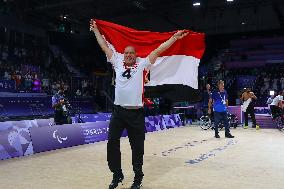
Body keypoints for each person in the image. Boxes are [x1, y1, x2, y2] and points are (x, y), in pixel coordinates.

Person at [90, 19, 188, 189]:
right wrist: (96, 30)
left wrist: (174, 38)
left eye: (131, 53)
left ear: (135, 56)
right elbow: (104, 46)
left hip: (136, 114)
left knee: (137, 148)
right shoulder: (117, 62)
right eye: (126, 53)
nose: (128, 55)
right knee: (112, 143)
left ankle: (138, 178)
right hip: (118, 113)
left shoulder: (143, 65)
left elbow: (158, 50)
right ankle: (117, 174)